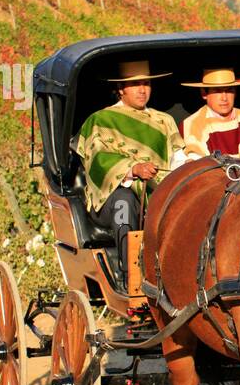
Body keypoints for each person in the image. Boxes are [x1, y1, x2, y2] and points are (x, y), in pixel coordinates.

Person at [73, 59, 186, 291]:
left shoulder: (164, 121)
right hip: (111, 200)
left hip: (158, 192)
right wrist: (132, 169)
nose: (142, 90)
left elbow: (178, 160)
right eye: (135, 85)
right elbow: (97, 160)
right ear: (121, 89)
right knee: (123, 202)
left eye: (146, 83)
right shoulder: (100, 121)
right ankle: (130, 275)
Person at [180, 68, 240, 161]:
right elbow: (199, 167)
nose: (224, 98)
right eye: (217, 91)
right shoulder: (193, 124)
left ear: (235, 92)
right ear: (204, 93)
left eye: (229, 90)